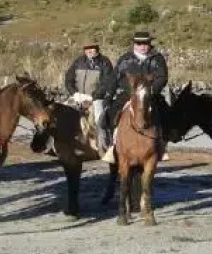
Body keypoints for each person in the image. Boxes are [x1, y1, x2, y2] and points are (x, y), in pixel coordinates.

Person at [101, 31, 169, 164]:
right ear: (134, 44)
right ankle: (113, 146)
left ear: (150, 44)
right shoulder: (124, 59)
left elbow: (162, 77)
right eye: (139, 43)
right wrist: (109, 95)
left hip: (150, 95)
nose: (143, 46)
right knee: (109, 116)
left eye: (146, 43)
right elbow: (114, 78)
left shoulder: (158, 58)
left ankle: (161, 146)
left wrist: (151, 91)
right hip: (127, 95)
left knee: (166, 114)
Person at [63, 41, 116, 152]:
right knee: (61, 113)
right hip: (78, 97)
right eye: (87, 48)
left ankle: (104, 148)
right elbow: (68, 79)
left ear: (97, 49)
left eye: (92, 48)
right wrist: (75, 94)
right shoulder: (78, 61)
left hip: (97, 98)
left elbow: (107, 82)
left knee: (99, 119)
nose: (89, 51)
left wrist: (93, 97)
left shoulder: (104, 62)